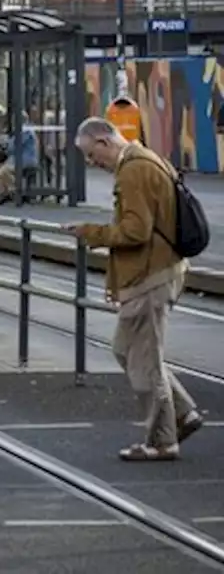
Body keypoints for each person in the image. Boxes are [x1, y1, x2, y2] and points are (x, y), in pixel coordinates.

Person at [70, 118, 202, 462]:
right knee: (127, 350)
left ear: (103, 141)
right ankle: (182, 413)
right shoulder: (147, 159)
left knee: (144, 362)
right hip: (155, 271)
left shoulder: (132, 171)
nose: (92, 163)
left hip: (151, 276)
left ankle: (161, 440)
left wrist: (90, 233)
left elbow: (135, 231)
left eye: (91, 154)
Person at [0, 111, 39, 205]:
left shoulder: (26, 131)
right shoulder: (20, 130)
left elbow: (14, 146)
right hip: (17, 159)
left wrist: (3, 141)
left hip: (26, 160)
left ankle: (16, 191)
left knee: (4, 171)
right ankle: (4, 193)